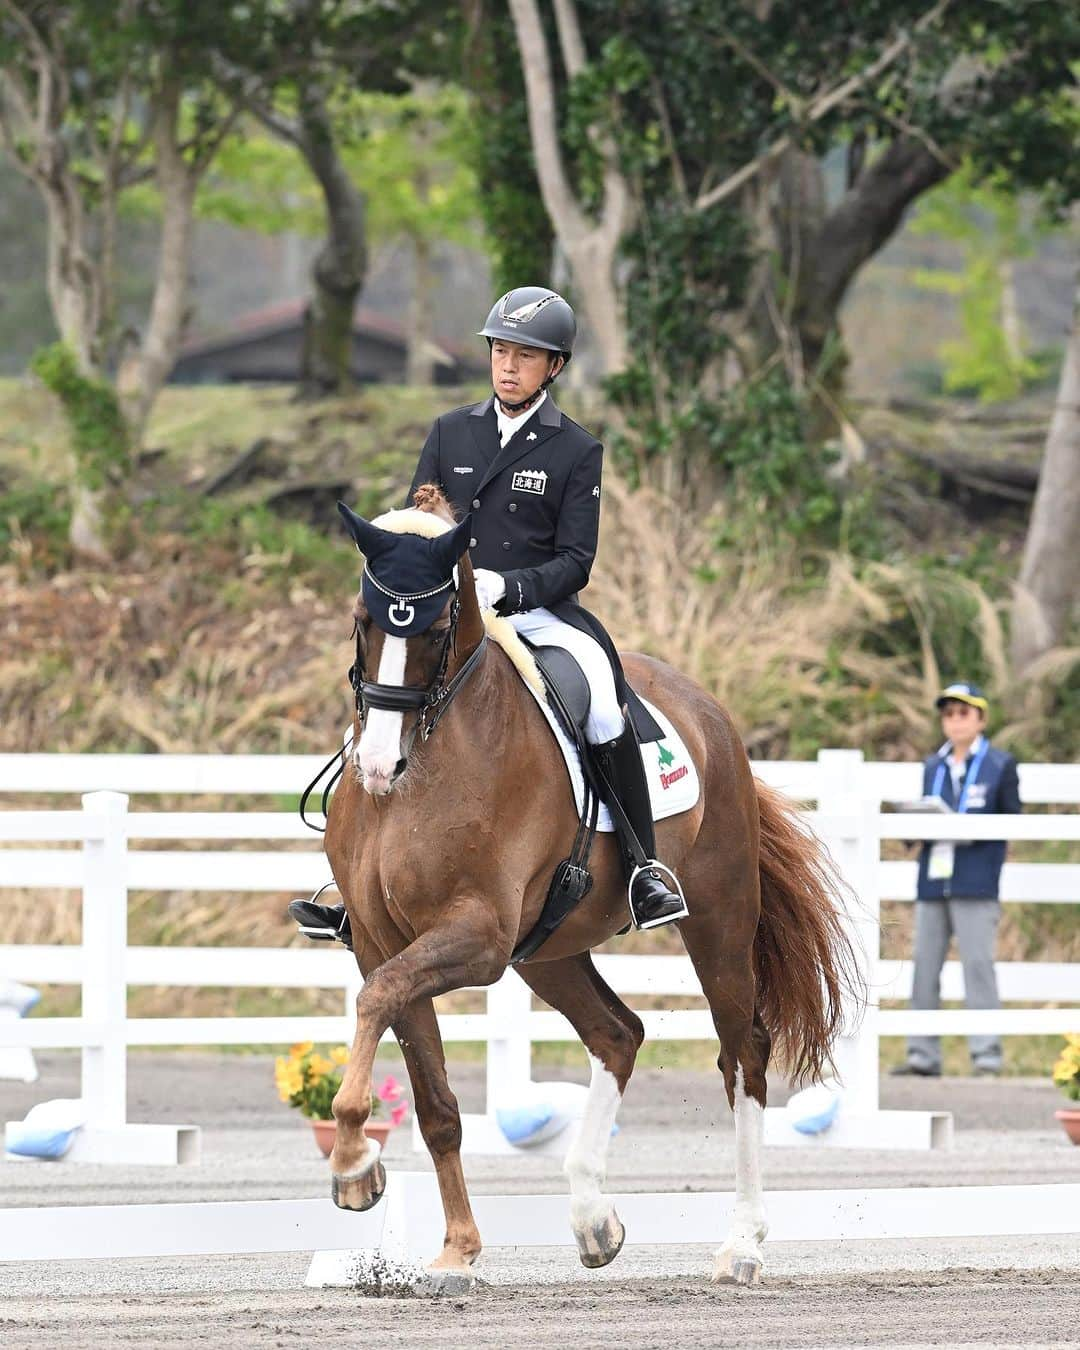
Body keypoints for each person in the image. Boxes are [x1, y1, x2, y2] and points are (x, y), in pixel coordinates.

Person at [289, 286, 688, 947]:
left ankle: (645, 868)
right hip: (450, 618)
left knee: (602, 703)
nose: (508, 366)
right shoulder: (452, 430)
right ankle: (355, 884)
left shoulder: (574, 449)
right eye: (501, 351)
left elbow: (576, 560)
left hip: (537, 615)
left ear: (553, 367)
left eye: (525, 357)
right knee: (386, 691)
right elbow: (419, 519)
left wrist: (512, 586)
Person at [892, 681, 1021, 1078]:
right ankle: (922, 1054)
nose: (955, 720)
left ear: (981, 719)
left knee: (977, 966)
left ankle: (987, 1056)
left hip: (976, 880)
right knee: (924, 965)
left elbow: (1014, 821)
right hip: (934, 881)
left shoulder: (1000, 765)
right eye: (948, 713)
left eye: (963, 712)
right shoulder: (933, 765)